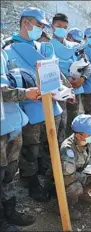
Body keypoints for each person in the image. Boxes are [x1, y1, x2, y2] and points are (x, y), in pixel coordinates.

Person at [3, 7, 65, 202]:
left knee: (50, 145)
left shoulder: (42, 47)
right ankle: (30, 182)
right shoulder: (8, 50)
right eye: (39, 25)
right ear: (26, 23)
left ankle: (49, 178)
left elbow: (55, 73)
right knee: (31, 148)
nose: (42, 29)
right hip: (28, 109)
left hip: (51, 106)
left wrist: (65, 89)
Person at [1, 45, 37, 231]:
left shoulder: (3, 53)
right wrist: (24, 93)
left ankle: (10, 211)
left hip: (13, 123)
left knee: (9, 172)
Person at [50, 13, 89, 144]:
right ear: (52, 26)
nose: (61, 29)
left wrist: (82, 79)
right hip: (57, 94)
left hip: (75, 91)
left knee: (72, 123)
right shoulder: (46, 46)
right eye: (59, 26)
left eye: (64, 27)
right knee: (58, 125)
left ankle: (70, 150)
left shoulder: (74, 46)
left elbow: (87, 65)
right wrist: (66, 81)